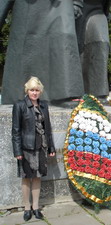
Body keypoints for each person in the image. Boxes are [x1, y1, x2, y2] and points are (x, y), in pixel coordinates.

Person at [0, 0, 84, 104]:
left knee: (64, 37)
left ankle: (65, 94)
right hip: (27, 6)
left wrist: (77, 3)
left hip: (61, 4)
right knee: (25, 45)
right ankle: (21, 95)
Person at [12, 77, 56, 221]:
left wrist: (51, 147)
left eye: (37, 90)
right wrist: (17, 151)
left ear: (40, 91)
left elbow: (47, 128)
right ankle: (26, 208)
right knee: (26, 178)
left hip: (41, 146)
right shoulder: (20, 106)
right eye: (32, 90)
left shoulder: (44, 105)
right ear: (27, 91)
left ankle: (36, 207)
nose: (34, 93)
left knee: (37, 177)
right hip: (26, 148)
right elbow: (16, 130)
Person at [74, 0, 111, 99]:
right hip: (68, 6)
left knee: (101, 42)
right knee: (72, 47)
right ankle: (71, 91)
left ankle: (97, 93)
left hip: (97, 8)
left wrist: (106, 10)